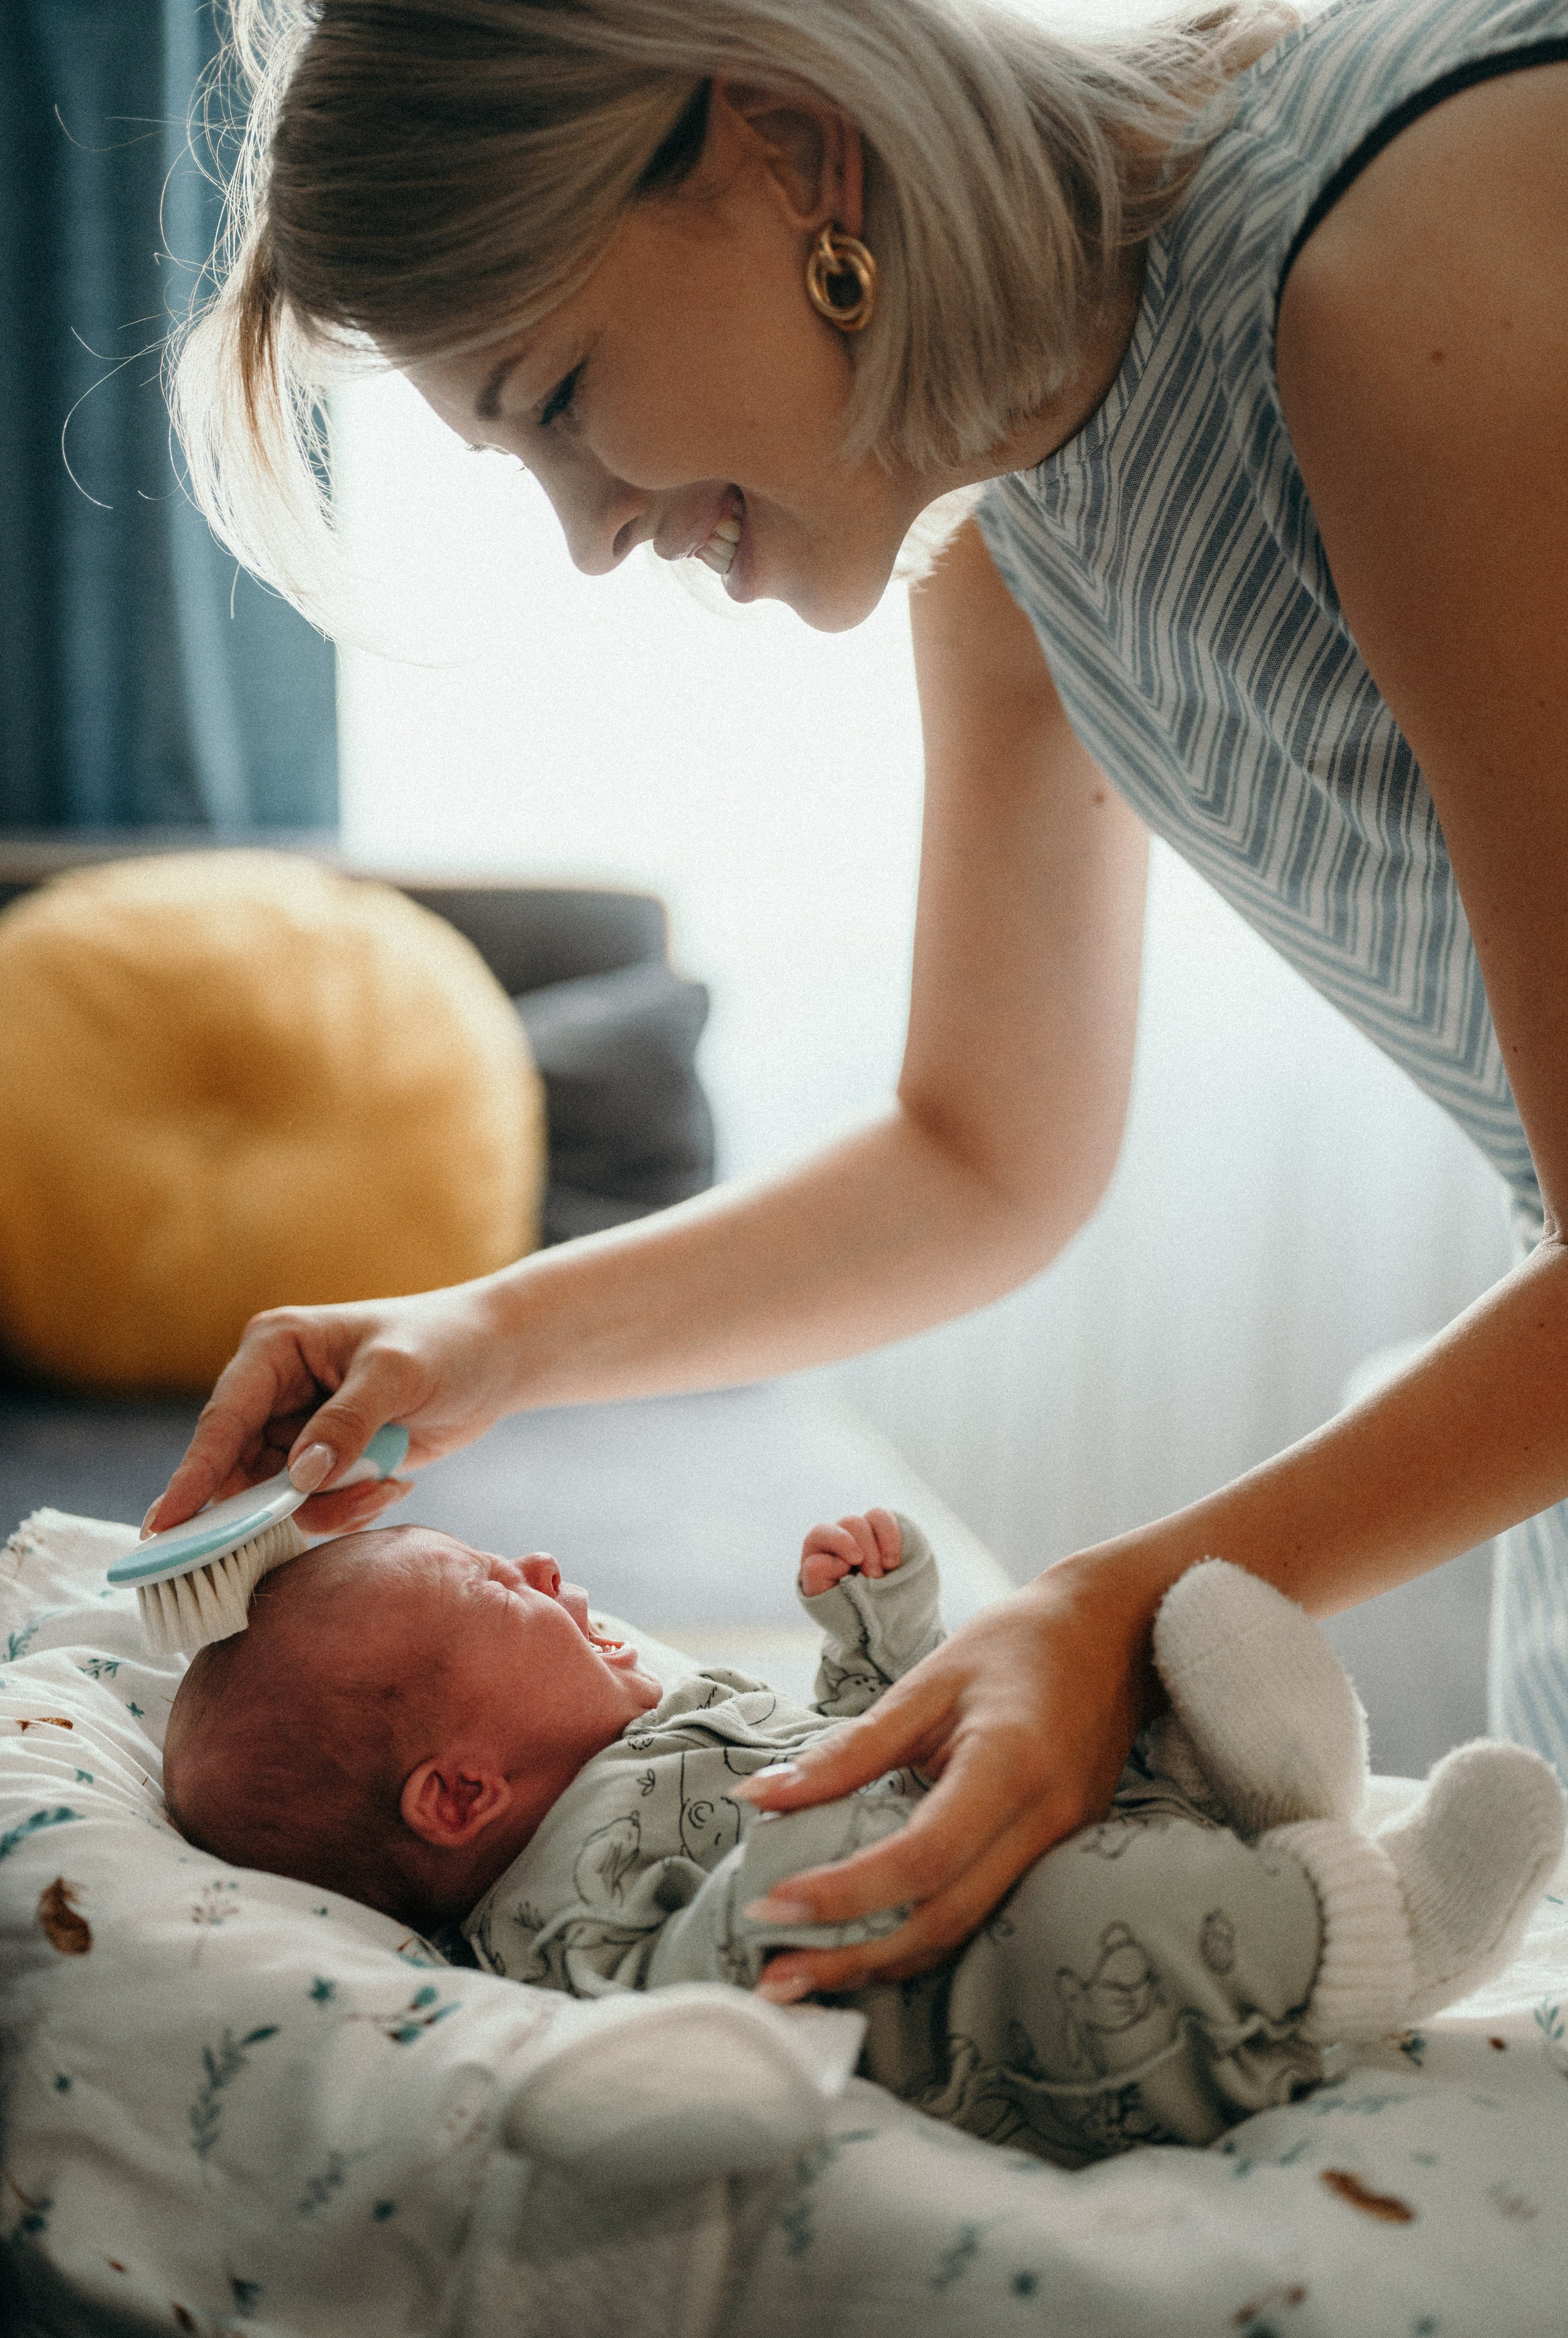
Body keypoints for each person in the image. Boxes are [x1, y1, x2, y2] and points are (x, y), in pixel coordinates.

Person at [154, 0, 1568, 2003]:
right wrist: (486, 1336)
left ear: (791, 147)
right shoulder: (1009, 500)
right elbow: (986, 1147)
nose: (588, 535)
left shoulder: (1399, 256)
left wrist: (1112, 1606)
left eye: (557, 395)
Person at [162, 1507, 1564, 2165]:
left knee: (1132, 1688)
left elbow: (842, 1734)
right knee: (1098, 1917)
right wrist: (812, 1819)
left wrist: (879, 1643)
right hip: (1000, 1992)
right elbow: (704, 1992)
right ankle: (1382, 1936)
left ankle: (1264, 1794)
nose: (537, 1562)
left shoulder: (660, 1725)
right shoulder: (556, 1910)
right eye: (491, 1590)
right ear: (458, 1795)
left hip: (972, 1833)